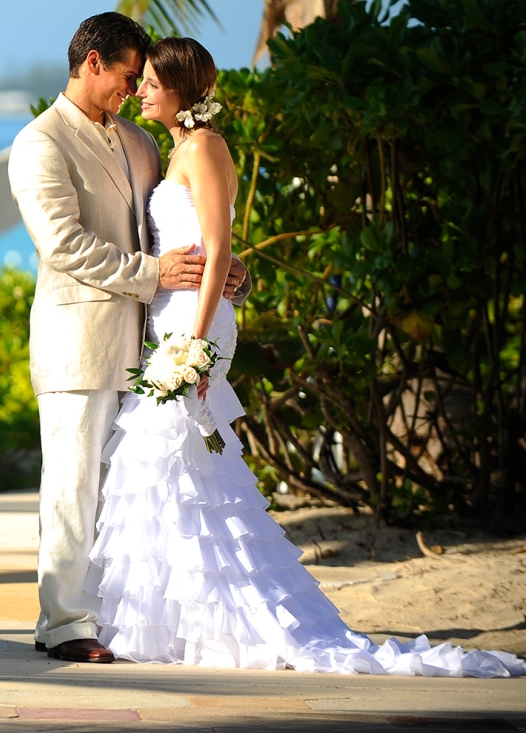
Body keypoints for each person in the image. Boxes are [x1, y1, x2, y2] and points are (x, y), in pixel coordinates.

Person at [86, 36, 526, 678]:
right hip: (169, 320)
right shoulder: (174, 147)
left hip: (191, 327)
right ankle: (181, 622)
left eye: (152, 80)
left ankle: (232, 616)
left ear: (181, 87)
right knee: (172, 468)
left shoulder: (205, 148)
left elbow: (218, 244)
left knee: (180, 461)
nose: (142, 89)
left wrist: (197, 340)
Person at [8, 13, 249, 664]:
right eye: (124, 76)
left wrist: (224, 273)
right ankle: (64, 623)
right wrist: (156, 273)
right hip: (77, 346)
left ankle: (107, 616)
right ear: (91, 63)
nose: (131, 88)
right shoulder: (39, 143)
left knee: (119, 494)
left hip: (147, 346)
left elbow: (178, 235)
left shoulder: (141, 143)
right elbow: (63, 246)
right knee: (74, 485)